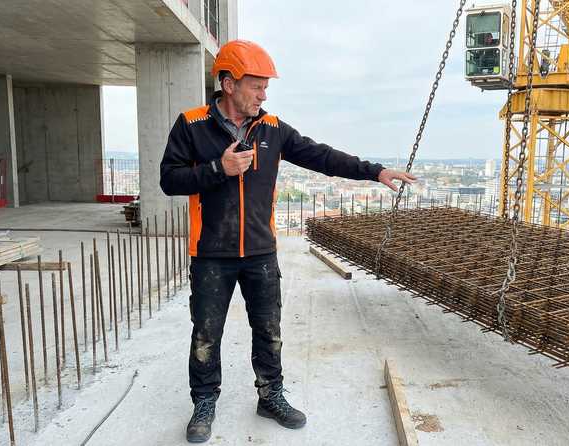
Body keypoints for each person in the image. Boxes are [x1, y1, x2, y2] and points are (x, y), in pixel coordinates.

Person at [159, 39, 416, 443]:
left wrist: (375, 171)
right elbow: (169, 179)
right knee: (206, 334)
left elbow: (322, 156)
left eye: (266, 87)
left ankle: (270, 396)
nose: (263, 95)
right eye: (256, 86)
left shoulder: (273, 129)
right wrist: (217, 168)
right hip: (211, 254)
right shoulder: (191, 125)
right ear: (228, 84)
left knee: (269, 331)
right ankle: (204, 402)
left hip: (260, 252)